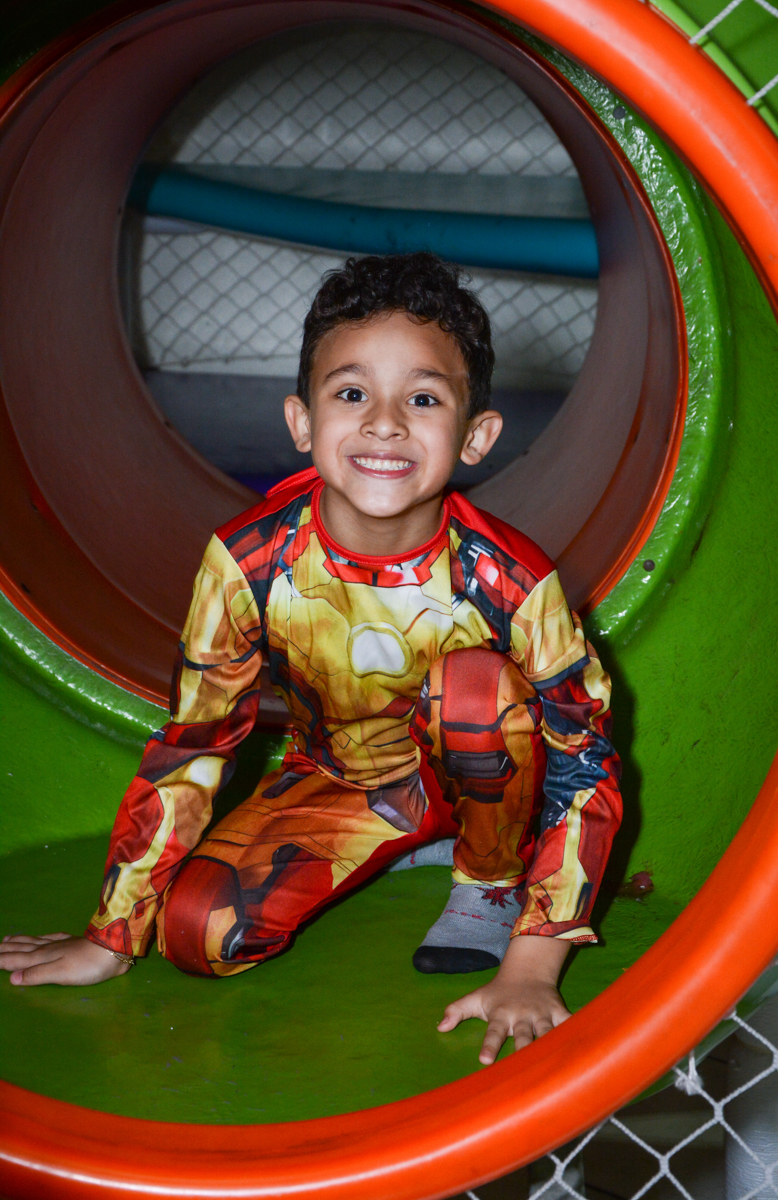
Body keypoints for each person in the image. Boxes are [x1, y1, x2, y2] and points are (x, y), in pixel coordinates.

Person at [0, 252, 621, 1065]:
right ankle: (411, 834)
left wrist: (532, 968)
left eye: (423, 398)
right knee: (199, 935)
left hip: (486, 764)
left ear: (476, 437)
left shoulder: (508, 580)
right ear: (300, 422)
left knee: (472, 686)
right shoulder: (248, 561)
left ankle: (487, 875)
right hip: (343, 778)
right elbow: (195, 744)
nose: (384, 422)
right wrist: (113, 935)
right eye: (351, 393)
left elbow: (583, 757)